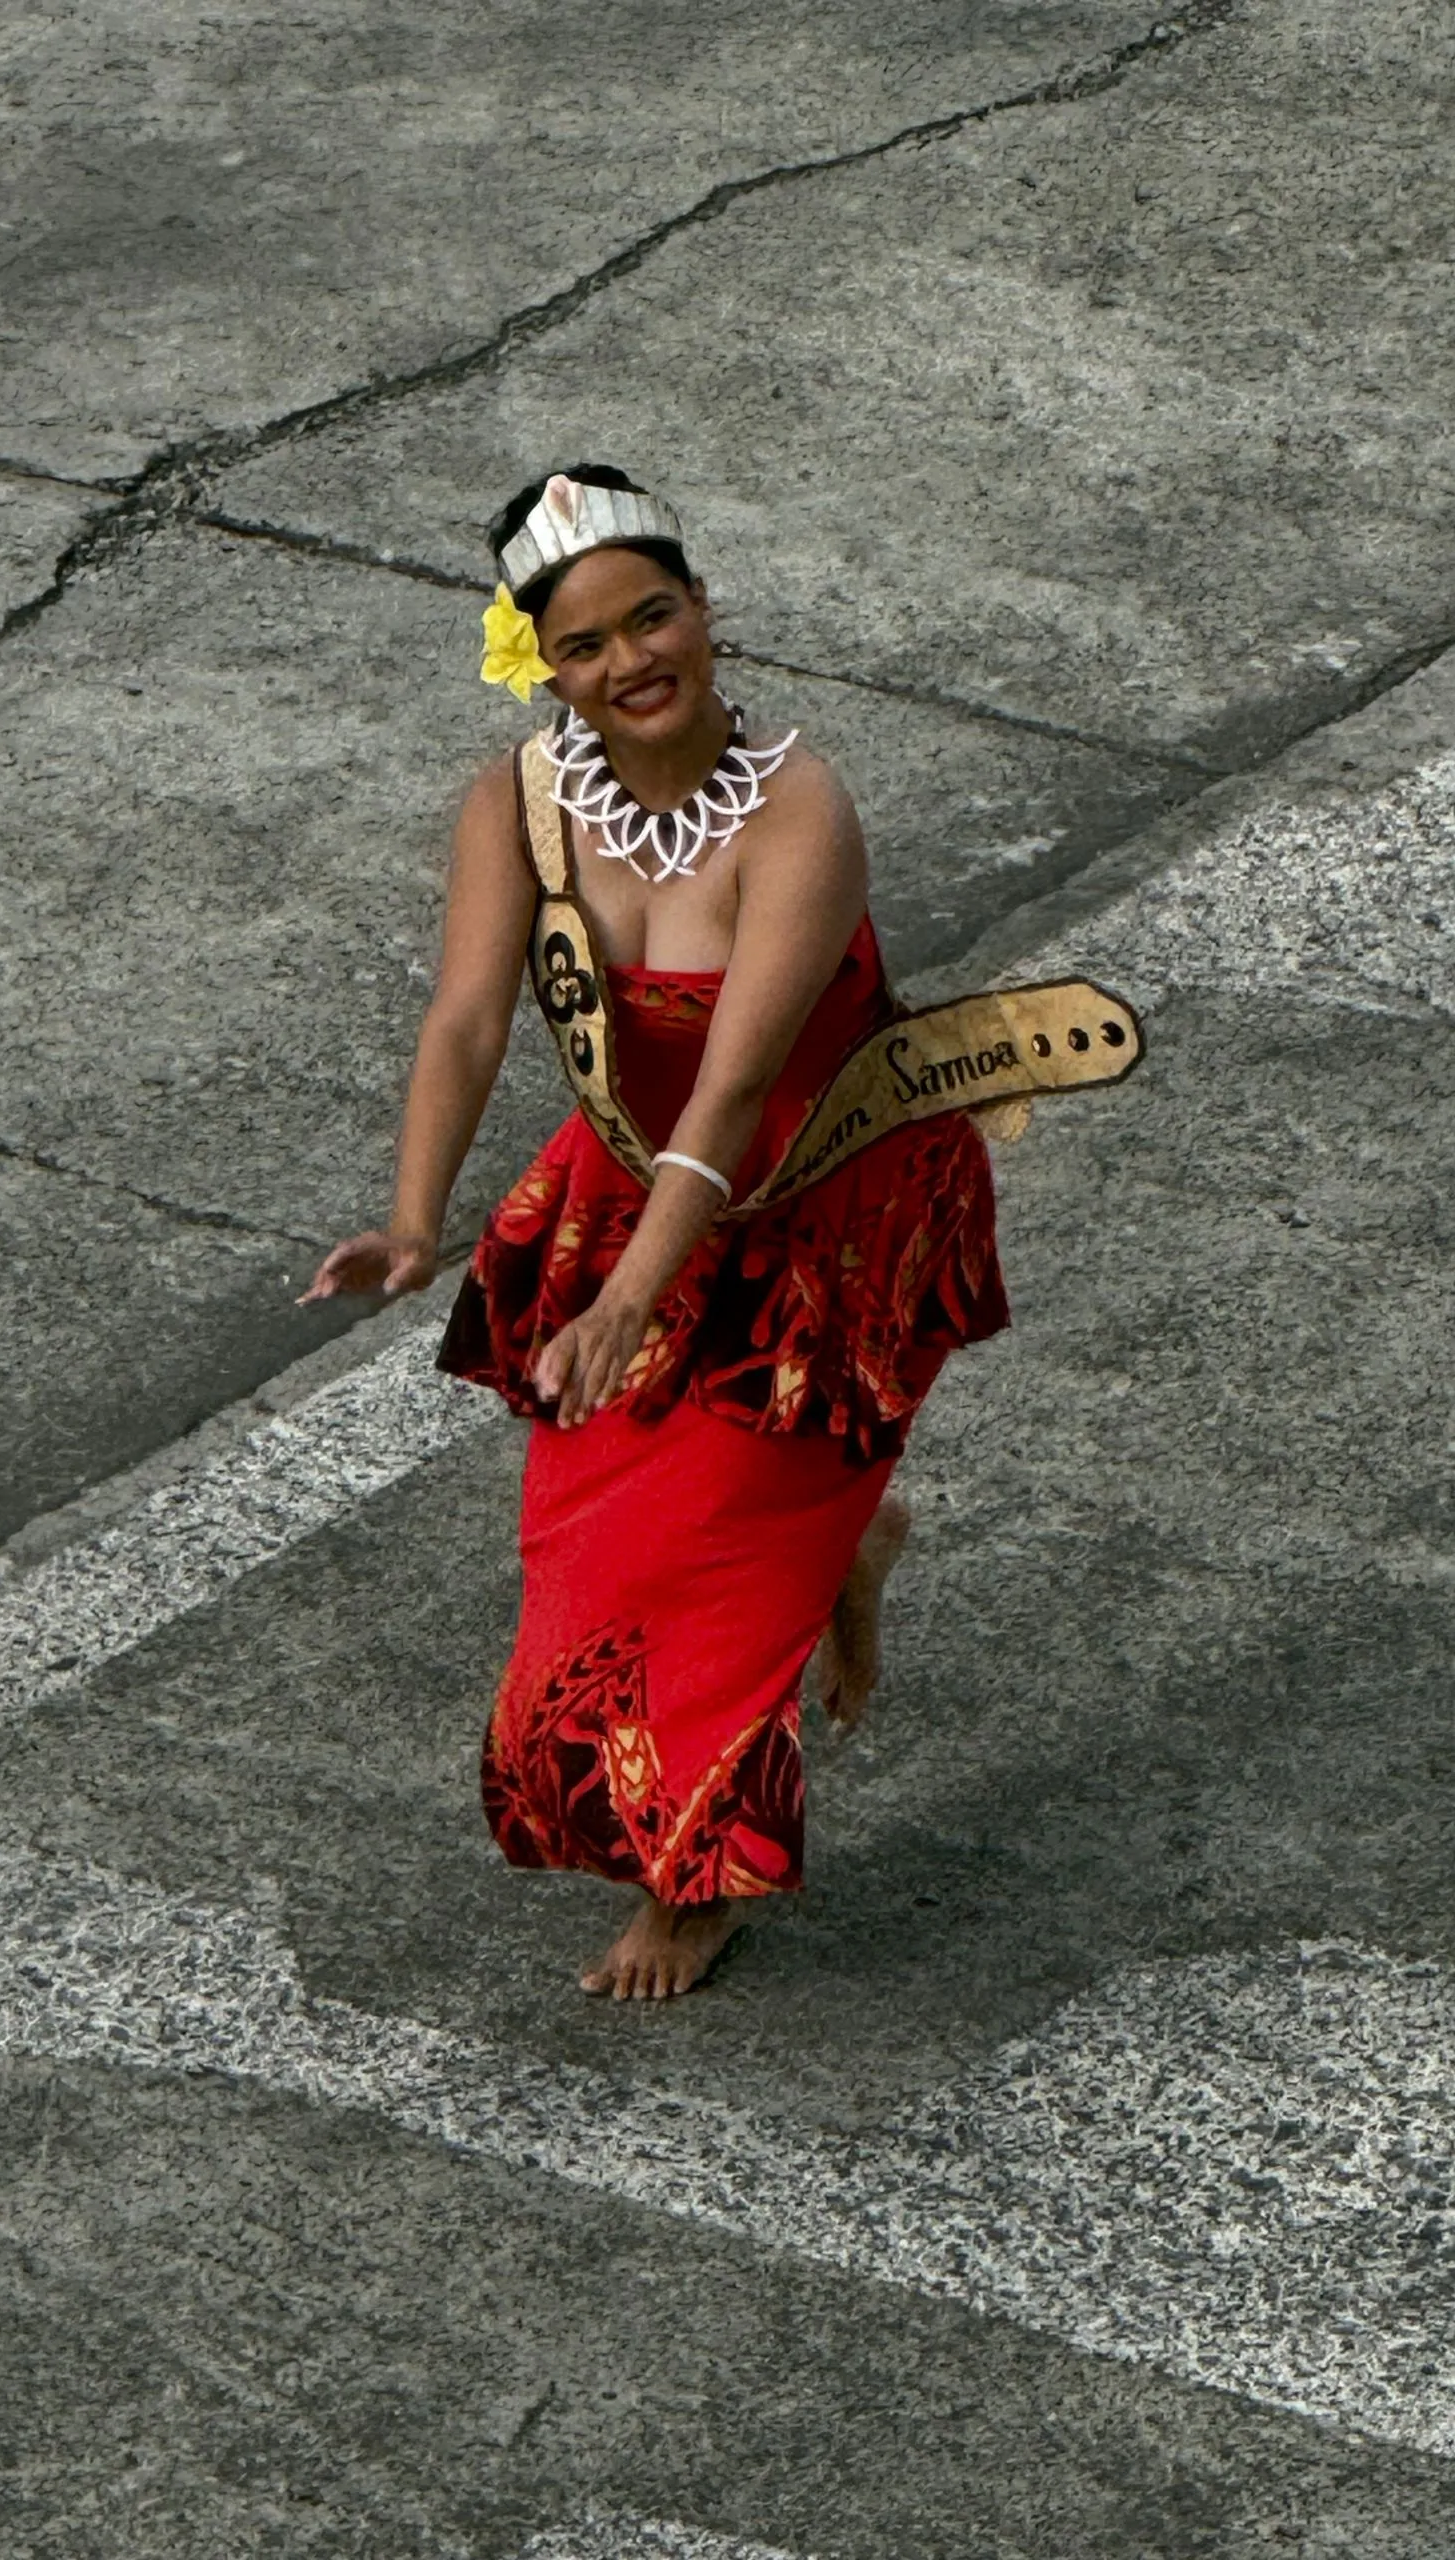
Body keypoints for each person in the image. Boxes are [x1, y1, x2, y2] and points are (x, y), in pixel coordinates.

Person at [305, 465, 1011, 2000]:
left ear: (706, 617)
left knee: (713, 1576)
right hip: (636, 1193)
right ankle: (849, 1544)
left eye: (655, 617)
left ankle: (702, 1882)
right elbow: (469, 1016)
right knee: (587, 1576)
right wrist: (414, 1220)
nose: (629, 661)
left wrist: (634, 1298)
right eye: (584, 645)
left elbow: (743, 1084)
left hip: (819, 1210)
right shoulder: (520, 804)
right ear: (542, 665)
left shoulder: (802, 812)